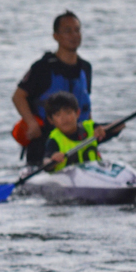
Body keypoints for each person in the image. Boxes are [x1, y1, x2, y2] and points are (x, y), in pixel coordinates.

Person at [12, 10, 93, 166]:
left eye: (77, 30)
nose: (74, 35)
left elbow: (85, 107)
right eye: (67, 31)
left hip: (76, 144)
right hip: (45, 143)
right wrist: (31, 123)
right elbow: (18, 96)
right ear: (56, 36)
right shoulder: (42, 67)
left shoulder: (85, 68)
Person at [43, 91, 108, 171]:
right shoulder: (53, 140)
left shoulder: (91, 128)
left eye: (68, 113)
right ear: (51, 120)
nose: (64, 118)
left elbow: (120, 126)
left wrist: (102, 130)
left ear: (77, 113)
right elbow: (46, 163)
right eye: (58, 115)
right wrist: (52, 160)